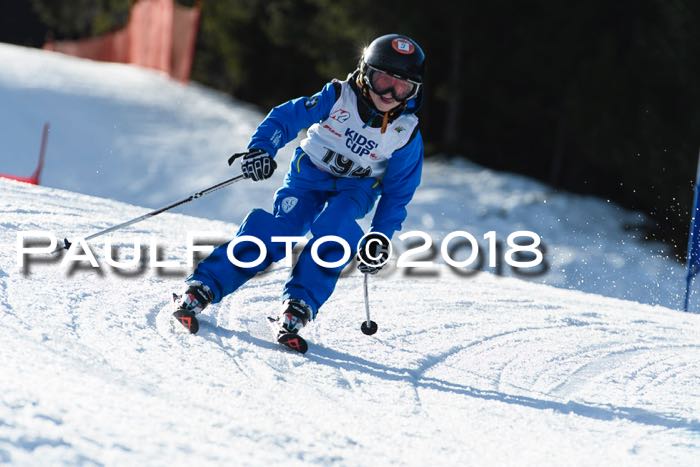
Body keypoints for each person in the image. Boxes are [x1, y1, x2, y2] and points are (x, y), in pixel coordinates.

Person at [173, 34, 426, 350]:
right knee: (283, 229)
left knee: (336, 229)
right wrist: (262, 150)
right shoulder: (337, 97)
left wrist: (380, 235)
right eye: (383, 80)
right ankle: (203, 286)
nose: (389, 93)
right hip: (310, 175)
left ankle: (299, 305)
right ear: (365, 73)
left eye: (402, 87)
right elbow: (287, 116)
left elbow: (398, 192)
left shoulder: (406, 133)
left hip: (355, 188)